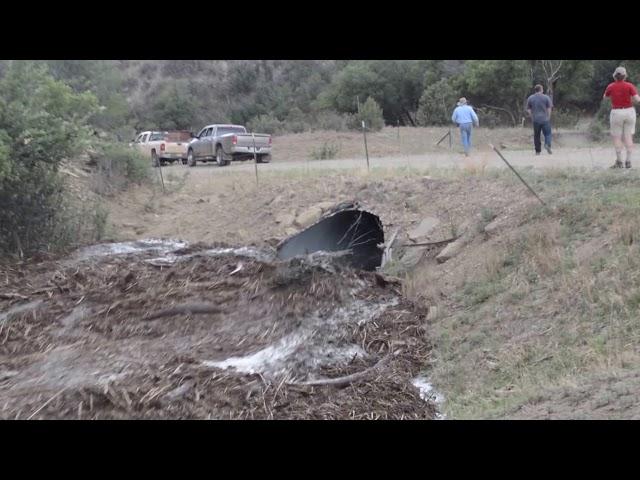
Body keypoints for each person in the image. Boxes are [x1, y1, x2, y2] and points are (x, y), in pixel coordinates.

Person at [603, 66, 640, 168]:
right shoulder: (630, 86)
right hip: (629, 111)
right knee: (628, 136)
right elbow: (637, 99)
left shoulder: (611, 86)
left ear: (615, 76)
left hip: (616, 112)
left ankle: (619, 161)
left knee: (617, 137)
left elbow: (605, 97)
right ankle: (628, 161)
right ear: (625, 76)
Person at [526, 85, 553, 155]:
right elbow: (549, 108)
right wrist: (549, 117)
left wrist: (531, 116)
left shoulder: (530, 98)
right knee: (548, 134)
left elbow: (528, 109)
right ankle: (547, 145)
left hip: (536, 120)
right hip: (545, 119)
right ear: (541, 89)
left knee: (537, 135)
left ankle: (538, 151)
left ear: (535, 90)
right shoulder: (546, 97)